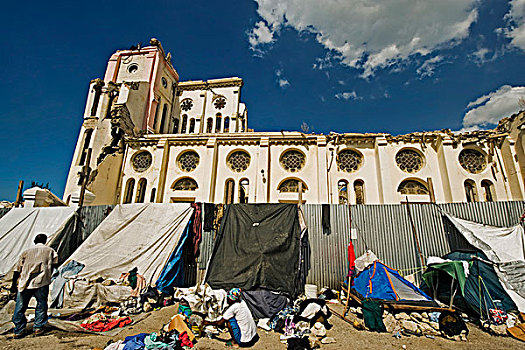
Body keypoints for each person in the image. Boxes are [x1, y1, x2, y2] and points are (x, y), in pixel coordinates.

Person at [10, 233, 58, 338]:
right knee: (41, 305)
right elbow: (55, 265)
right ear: (45, 241)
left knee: (20, 307)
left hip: (25, 283)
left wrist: (13, 284)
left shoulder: (26, 252)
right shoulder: (50, 251)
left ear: (35, 241)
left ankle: (19, 330)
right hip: (42, 282)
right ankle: (38, 327)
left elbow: (17, 270)